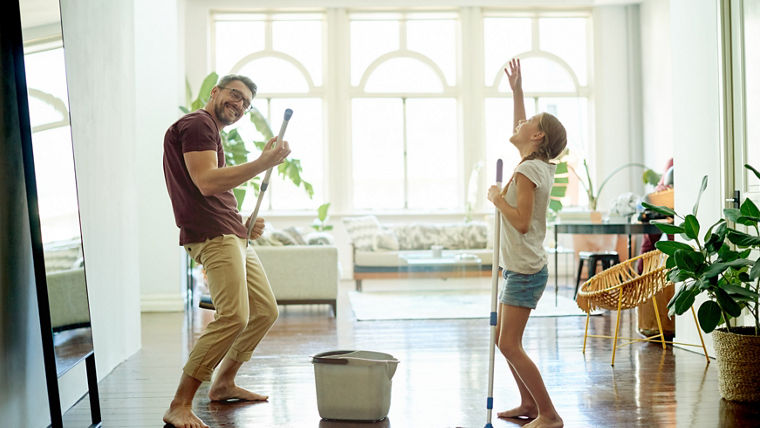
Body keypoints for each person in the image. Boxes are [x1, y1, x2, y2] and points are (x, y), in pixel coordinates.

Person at [162, 74, 291, 428]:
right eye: (236, 95)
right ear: (215, 92)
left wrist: (245, 222)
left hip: (231, 231)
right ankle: (180, 403)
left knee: (264, 310)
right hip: (213, 234)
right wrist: (263, 163)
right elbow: (206, 182)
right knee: (234, 315)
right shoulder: (198, 124)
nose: (239, 105)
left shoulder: (210, 132)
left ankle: (223, 383)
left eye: (246, 104)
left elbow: (213, 187)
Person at [487, 58, 567, 428]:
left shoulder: (525, 170)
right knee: (506, 341)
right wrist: (517, 91)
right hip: (521, 267)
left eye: (528, 122)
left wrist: (496, 199)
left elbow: (520, 223)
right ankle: (527, 404)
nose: (519, 124)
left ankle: (549, 414)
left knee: (508, 344)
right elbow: (522, 128)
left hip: (524, 270)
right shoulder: (536, 163)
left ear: (537, 137)